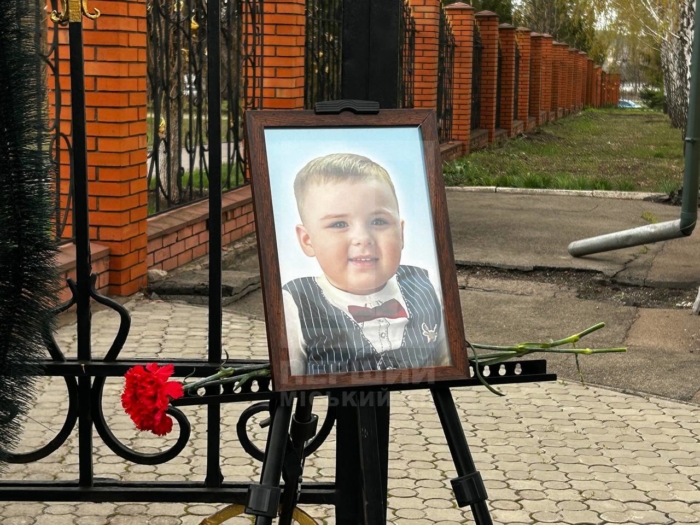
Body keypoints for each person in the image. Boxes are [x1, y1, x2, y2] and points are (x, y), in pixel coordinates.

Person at [283, 153, 450, 375]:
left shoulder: (428, 287)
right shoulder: (295, 304)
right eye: (339, 224)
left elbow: (447, 361)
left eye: (378, 221)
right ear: (307, 240)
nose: (363, 238)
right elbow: (289, 379)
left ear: (401, 233)